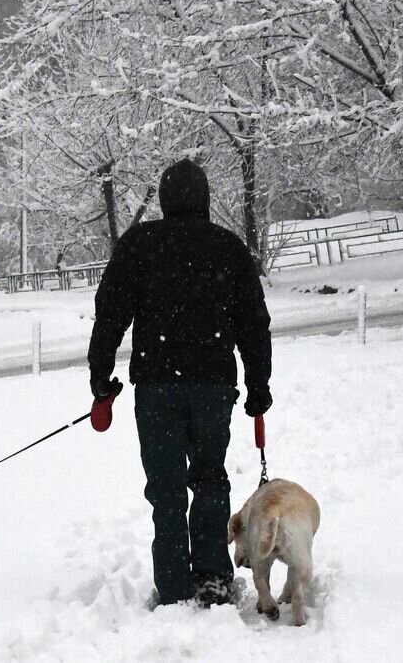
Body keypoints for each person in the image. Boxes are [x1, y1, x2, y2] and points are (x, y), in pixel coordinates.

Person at [87, 158, 272, 608]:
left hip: (155, 386)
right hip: (212, 385)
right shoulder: (228, 248)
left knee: (166, 487)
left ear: (165, 200)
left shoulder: (139, 245)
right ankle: (211, 577)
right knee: (210, 479)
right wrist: (258, 384)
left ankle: (171, 583)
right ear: (205, 199)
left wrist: (100, 375)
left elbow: (109, 311)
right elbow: (253, 323)